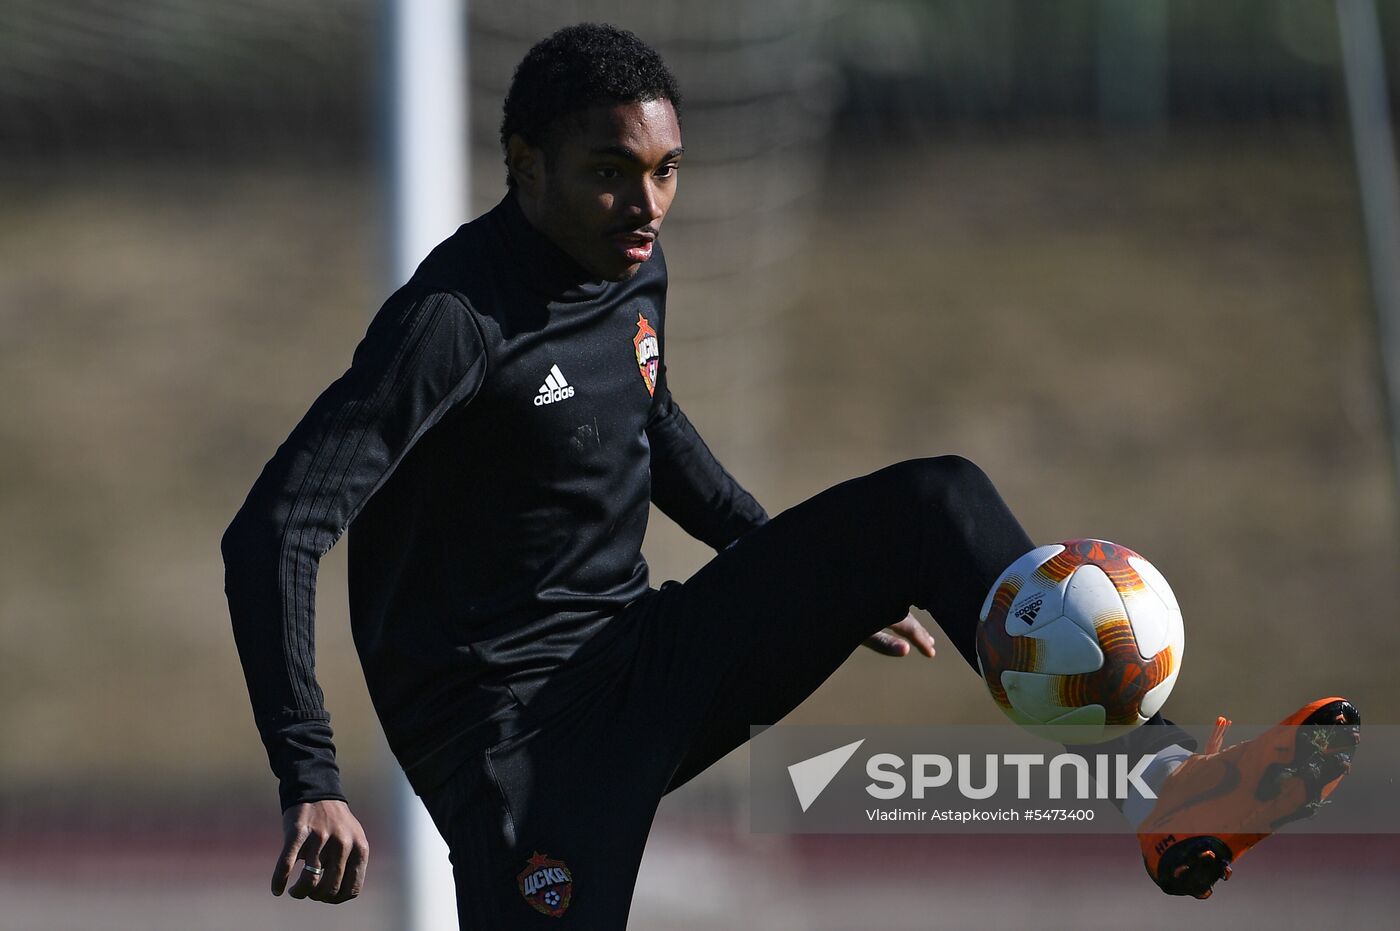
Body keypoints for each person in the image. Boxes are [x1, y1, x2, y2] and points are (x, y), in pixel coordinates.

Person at [222, 23, 1358, 927]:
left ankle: (1169, 788)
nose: (647, 202)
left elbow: (647, 419)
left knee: (933, 501)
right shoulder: (451, 325)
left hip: (643, 655)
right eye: (610, 171)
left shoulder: (631, 265)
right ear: (524, 164)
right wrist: (309, 773)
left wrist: (777, 560)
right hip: (517, 751)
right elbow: (273, 530)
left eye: (666, 170)